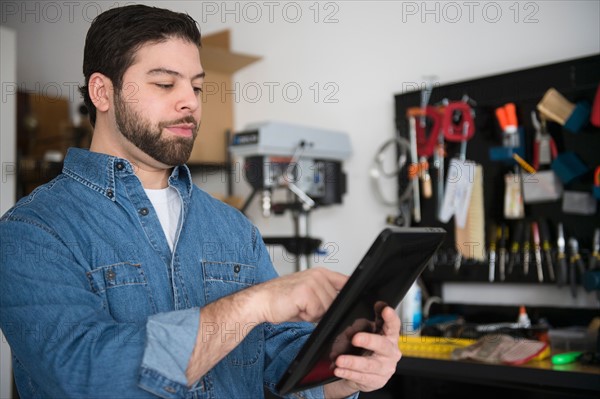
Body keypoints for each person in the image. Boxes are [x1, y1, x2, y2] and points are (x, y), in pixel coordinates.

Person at [0, 4, 401, 398]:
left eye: (195, 86)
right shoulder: (32, 231)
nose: (190, 102)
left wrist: (344, 372)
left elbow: (279, 362)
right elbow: (85, 375)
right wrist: (252, 305)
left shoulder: (234, 228)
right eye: (164, 84)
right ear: (103, 92)